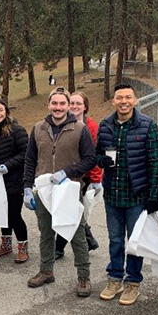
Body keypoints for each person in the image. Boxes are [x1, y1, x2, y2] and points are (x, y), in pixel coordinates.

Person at [23, 87, 96, 296]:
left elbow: (91, 159)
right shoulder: (38, 129)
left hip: (69, 191)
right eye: (54, 103)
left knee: (77, 234)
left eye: (62, 103)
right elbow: (30, 161)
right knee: (46, 232)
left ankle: (84, 276)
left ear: (67, 106)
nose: (58, 107)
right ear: (48, 105)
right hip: (44, 190)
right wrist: (27, 188)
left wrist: (68, 172)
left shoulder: (80, 129)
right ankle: (46, 271)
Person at [96, 83, 158, 305]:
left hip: (136, 196)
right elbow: (97, 154)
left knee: (134, 242)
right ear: (113, 101)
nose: (123, 101)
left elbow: (155, 162)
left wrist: (154, 194)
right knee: (115, 240)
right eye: (119, 98)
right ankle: (115, 277)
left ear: (136, 100)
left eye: (128, 97)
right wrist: (101, 160)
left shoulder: (147, 125)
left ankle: (133, 282)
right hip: (112, 195)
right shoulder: (105, 125)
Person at [0, 98, 30, 263]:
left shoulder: (17, 130)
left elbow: (25, 154)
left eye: (0, 110)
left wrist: (7, 165)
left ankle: (23, 247)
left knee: (14, 214)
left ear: (6, 111)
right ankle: (6, 244)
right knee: (3, 213)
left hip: (14, 180)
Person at [56, 91, 102, 258]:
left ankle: (59, 247)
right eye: (72, 103)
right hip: (66, 174)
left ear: (85, 107)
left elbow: (96, 155)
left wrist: (96, 179)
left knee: (71, 210)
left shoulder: (91, 127)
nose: (75, 106)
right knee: (71, 210)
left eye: (78, 104)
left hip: (85, 176)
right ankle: (89, 241)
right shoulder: (62, 123)